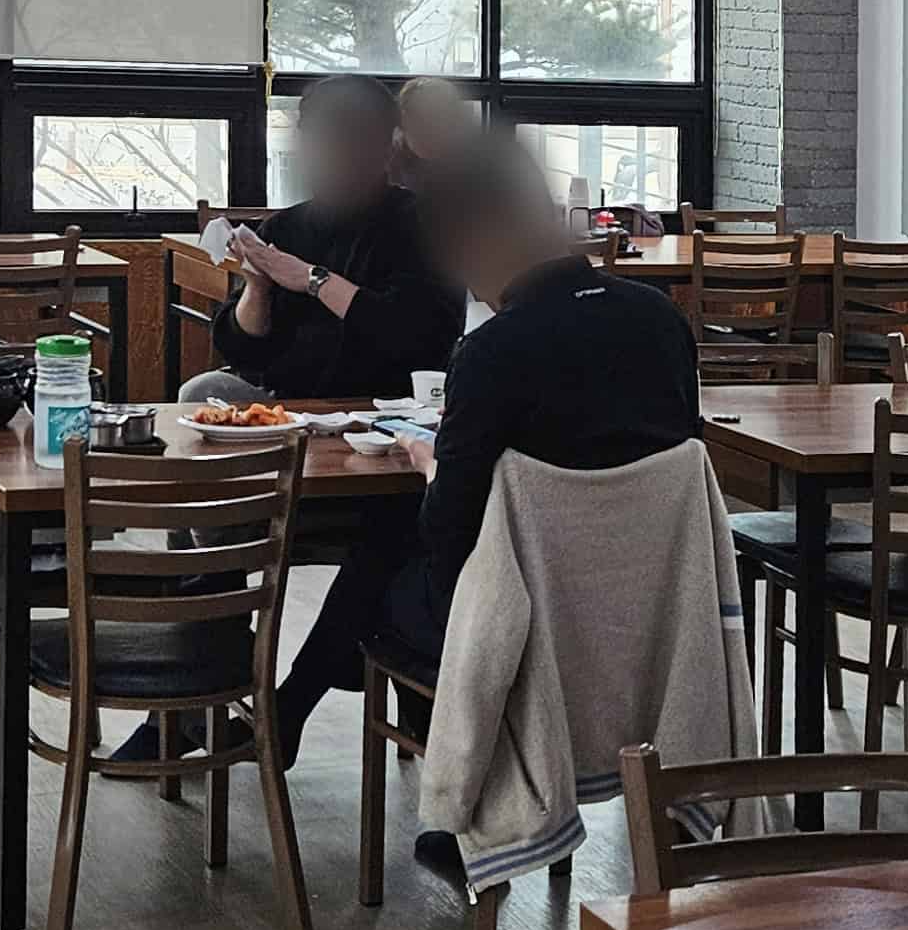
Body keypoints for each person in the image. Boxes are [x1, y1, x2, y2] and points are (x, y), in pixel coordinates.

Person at [267, 131, 701, 764]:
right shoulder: (661, 319)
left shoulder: (494, 352)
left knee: (385, 552)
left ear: (466, 241)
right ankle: (312, 718)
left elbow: (450, 539)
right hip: (652, 616)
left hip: (527, 622)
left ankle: (319, 721)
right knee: (390, 540)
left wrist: (432, 467)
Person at [183, 76, 464, 406]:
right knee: (204, 390)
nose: (325, 158)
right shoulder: (284, 228)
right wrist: (257, 288)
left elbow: (417, 338)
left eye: (343, 143)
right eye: (315, 142)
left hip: (386, 408)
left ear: (384, 149)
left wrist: (313, 280)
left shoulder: (426, 224)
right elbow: (243, 352)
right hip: (288, 409)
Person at [392, 76, 478, 189]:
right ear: (404, 119)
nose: (430, 127)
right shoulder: (387, 160)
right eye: (420, 118)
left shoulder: (471, 164)